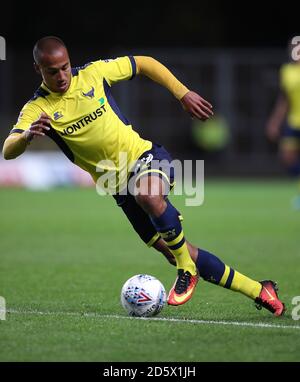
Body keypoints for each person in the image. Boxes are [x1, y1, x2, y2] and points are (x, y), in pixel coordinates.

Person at [2, 36, 285, 315]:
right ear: (38, 69)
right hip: (118, 188)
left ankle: (186, 269)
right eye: (53, 71)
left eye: (65, 66)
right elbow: (8, 150)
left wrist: (182, 93)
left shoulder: (93, 74)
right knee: (173, 248)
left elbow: (145, 63)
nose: (62, 75)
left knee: (149, 196)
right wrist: (26, 135)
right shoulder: (37, 108)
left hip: (145, 158)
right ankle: (259, 290)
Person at [266, 38, 300, 208]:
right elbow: (284, 99)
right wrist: (275, 121)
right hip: (294, 121)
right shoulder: (286, 70)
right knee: (287, 157)